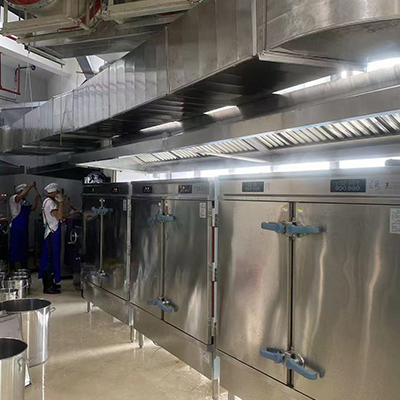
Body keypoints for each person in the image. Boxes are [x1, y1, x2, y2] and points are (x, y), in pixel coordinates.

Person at [39, 183, 64, 294]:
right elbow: (59, 217)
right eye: (58, 192)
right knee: (50, 260)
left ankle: (51, 283)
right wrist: (61, 203)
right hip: (52, 233)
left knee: (50, 259)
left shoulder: (46, 201)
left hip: (49, 232)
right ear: (55, 192)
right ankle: (48, 287)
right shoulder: (51, 203)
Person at [9, 182, 40, 271]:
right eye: (25, 191)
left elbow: (32, 209)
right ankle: (13, 266)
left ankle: (24, 265)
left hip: (24, 227)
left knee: (23, 246)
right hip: (16, 227)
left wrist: (37, 200)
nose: (26, 194)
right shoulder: (14, 198)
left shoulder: (25, 202)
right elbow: (20, 196)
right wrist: (30, 186)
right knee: (15, 246)